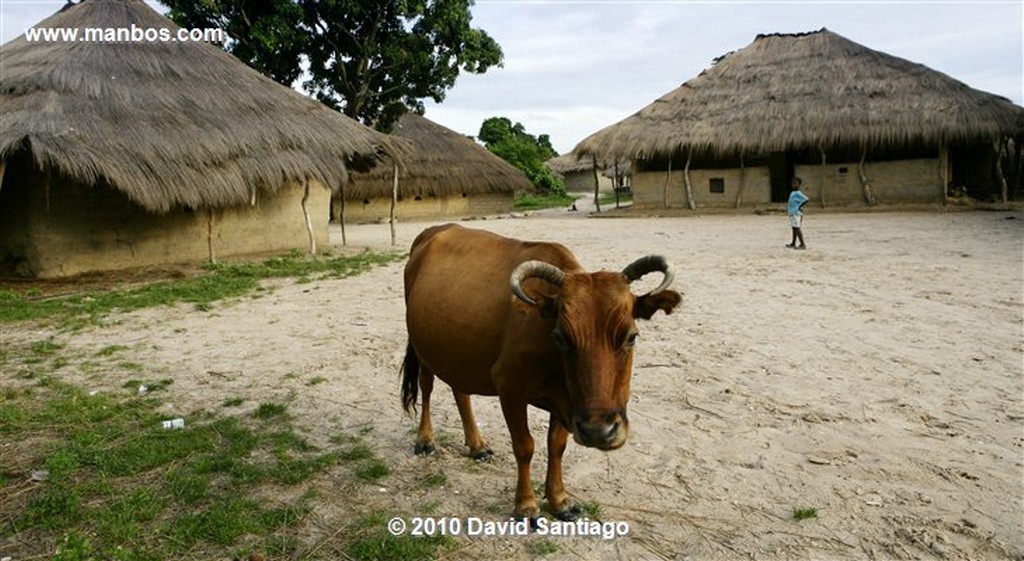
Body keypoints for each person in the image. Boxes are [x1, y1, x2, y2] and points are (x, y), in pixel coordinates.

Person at [786, 177, 808, 250]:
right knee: (794, 228)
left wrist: (799, 206)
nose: (793, 185)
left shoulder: (798, 193)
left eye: (795, 183)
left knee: (797, 228)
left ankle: (802, 244)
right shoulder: (793, 193)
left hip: (796, 213)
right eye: (793, 183)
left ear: (799, 185)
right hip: (792, 213)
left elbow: (806, 199)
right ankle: (793, 242)